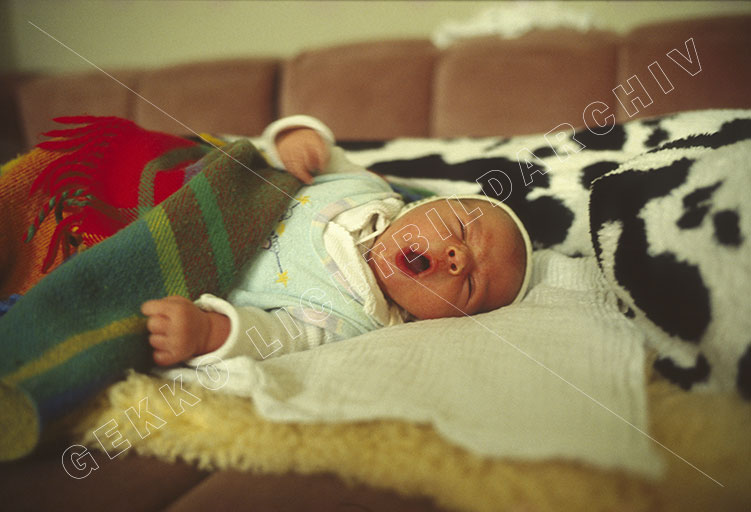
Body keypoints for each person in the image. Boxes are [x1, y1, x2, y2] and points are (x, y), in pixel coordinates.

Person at [141, 116, 533, 366]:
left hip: (179, 246)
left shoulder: (351, 322)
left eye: (471, 286)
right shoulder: (368, 188)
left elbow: (272, 337)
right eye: (461, 229)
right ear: (423, 206)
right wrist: (296, 140)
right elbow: (311, 155)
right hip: (204, 184)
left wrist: (206, 332)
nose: (458, 257)